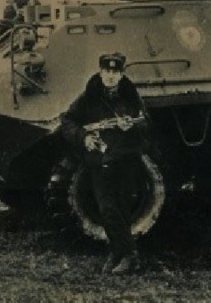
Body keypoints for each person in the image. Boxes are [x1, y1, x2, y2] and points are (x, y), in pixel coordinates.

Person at [60, 52, 151, 275]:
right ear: (100, 72)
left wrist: (133, 126)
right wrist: (83, 138)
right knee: (106, 209)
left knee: (121, 208)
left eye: (115, 71)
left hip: (126, 159)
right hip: (100, 159)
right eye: (107, 71)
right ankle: (125, 253)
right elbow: (67, 121)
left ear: (121, 74)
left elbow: (146, 123)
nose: (111, 75)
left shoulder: (131, 95)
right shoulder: (89, 96)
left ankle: (123, 254)